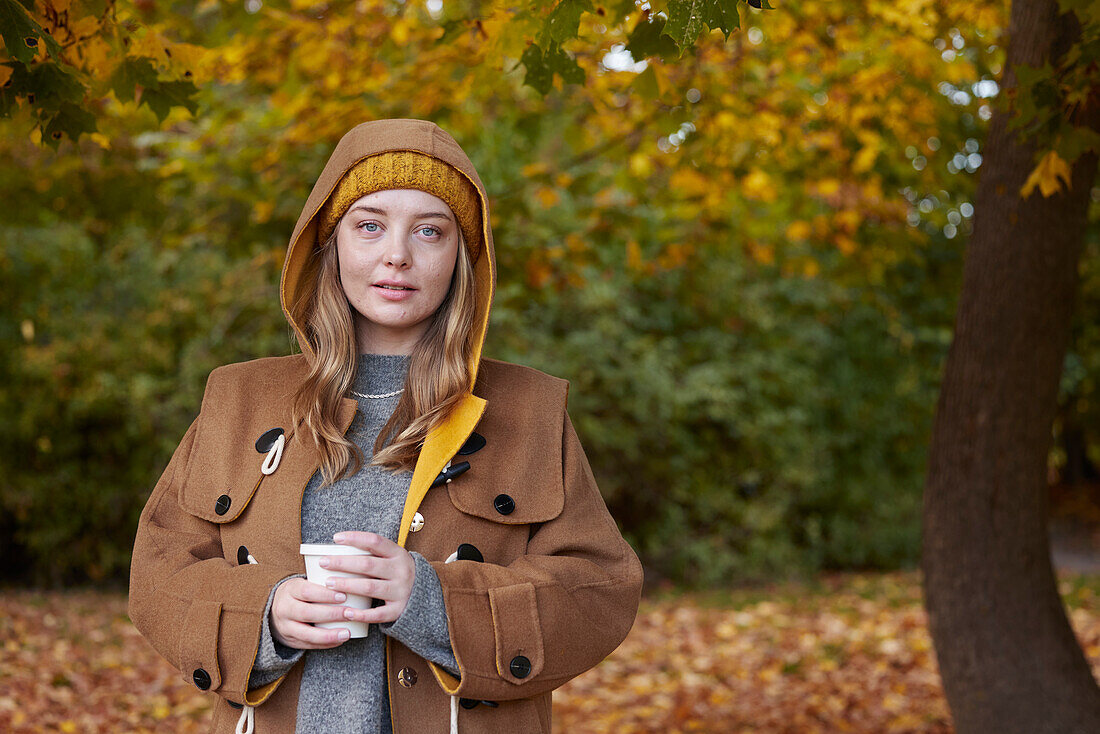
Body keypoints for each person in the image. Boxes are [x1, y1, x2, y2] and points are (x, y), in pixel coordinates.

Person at [128, 118, 644, 734]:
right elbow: (157, 575)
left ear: (461, 257)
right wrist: (262, 616)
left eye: (430, 231)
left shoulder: (530, 410)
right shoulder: (238, 398)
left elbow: (600, 589)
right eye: (369, 225)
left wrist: (435, 603)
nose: (397, 254)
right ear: (331, 243)